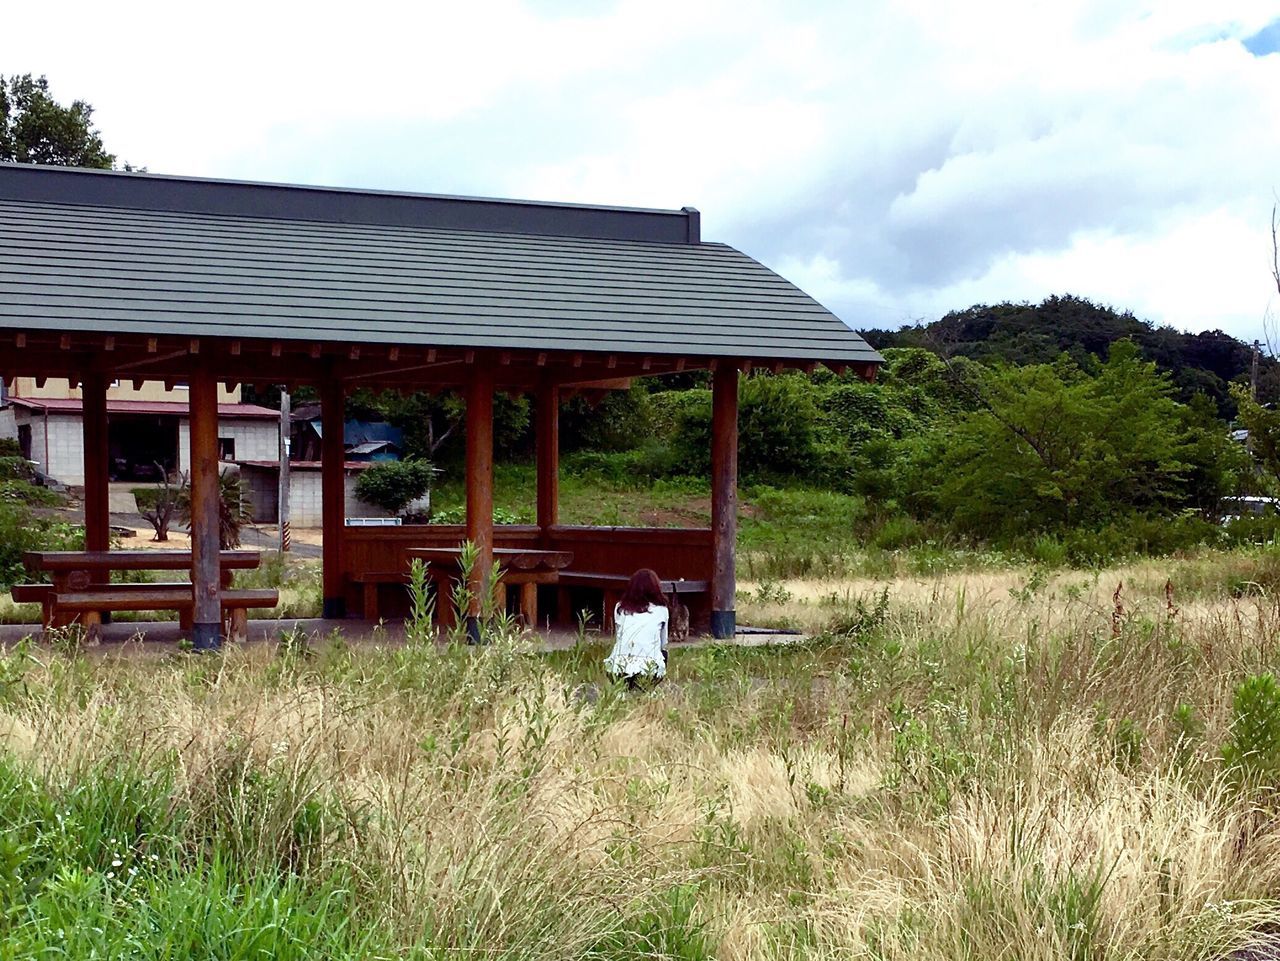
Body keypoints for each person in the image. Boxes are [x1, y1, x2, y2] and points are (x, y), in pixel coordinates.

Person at [604, 568, 669, 690]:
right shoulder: (662, 609)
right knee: (664, 653)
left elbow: (619, 635)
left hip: (619, 667)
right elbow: (663, 643)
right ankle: (650, 690)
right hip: (649, 670)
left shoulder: (620, 608)